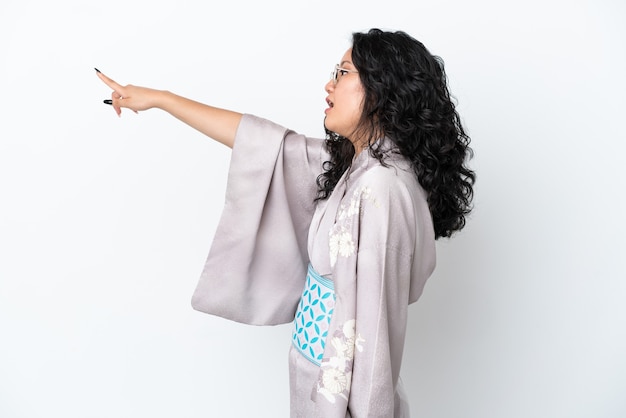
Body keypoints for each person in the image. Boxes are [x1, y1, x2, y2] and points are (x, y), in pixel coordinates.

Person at [96, 28, 475, 417]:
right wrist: (161, 100)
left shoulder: (380, 186)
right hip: (314, 376)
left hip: (337, 396)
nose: (329, 84)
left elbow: (374, 333)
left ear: (380, 88)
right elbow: (263, 143)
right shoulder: (360, 167)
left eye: (343, 73)